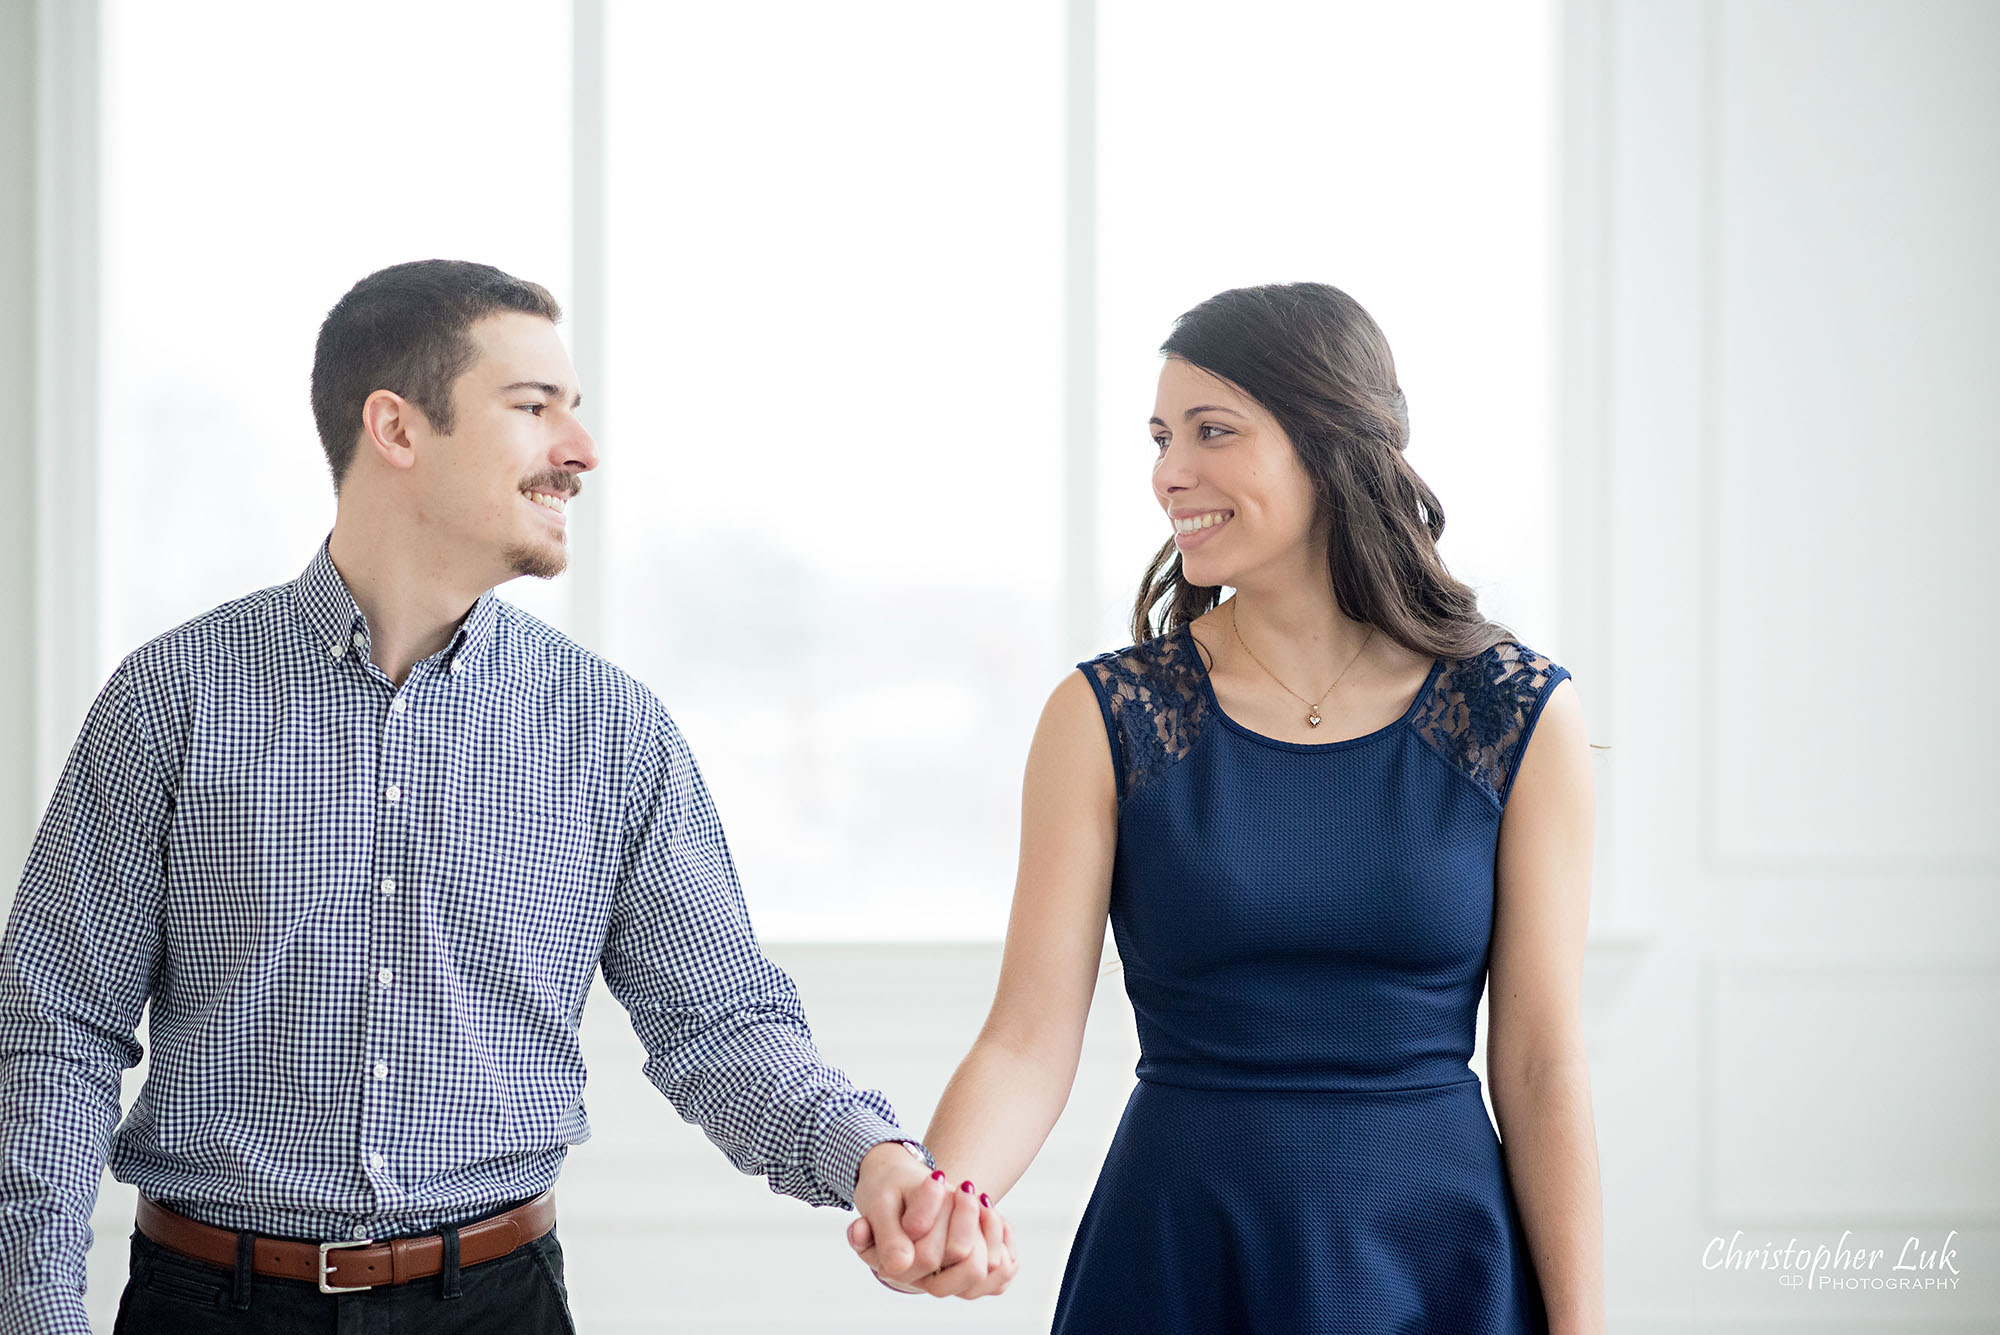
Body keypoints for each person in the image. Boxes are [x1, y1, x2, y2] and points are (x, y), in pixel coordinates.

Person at [0, 259, 1015, 1335]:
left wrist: (872, 1159)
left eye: (572, 412)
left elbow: (718, 1023)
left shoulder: (611, 731)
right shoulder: (172, 699)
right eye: (533, 409)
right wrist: (34, 1313)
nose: (579, 453)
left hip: (496, 1307)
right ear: (395, 428)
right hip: (208, 1305)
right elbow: (55, 1030)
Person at [850, 281, 1605, 1330]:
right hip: (1177, 1251)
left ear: (1333, 441)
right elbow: (1027, 1038)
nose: (1168, 474)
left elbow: (1538, 1064)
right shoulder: (1104, 717)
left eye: (1212, 432)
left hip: (1433, 1257)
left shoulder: (1515, 715)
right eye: (1160, 437)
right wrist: (944, 1202)